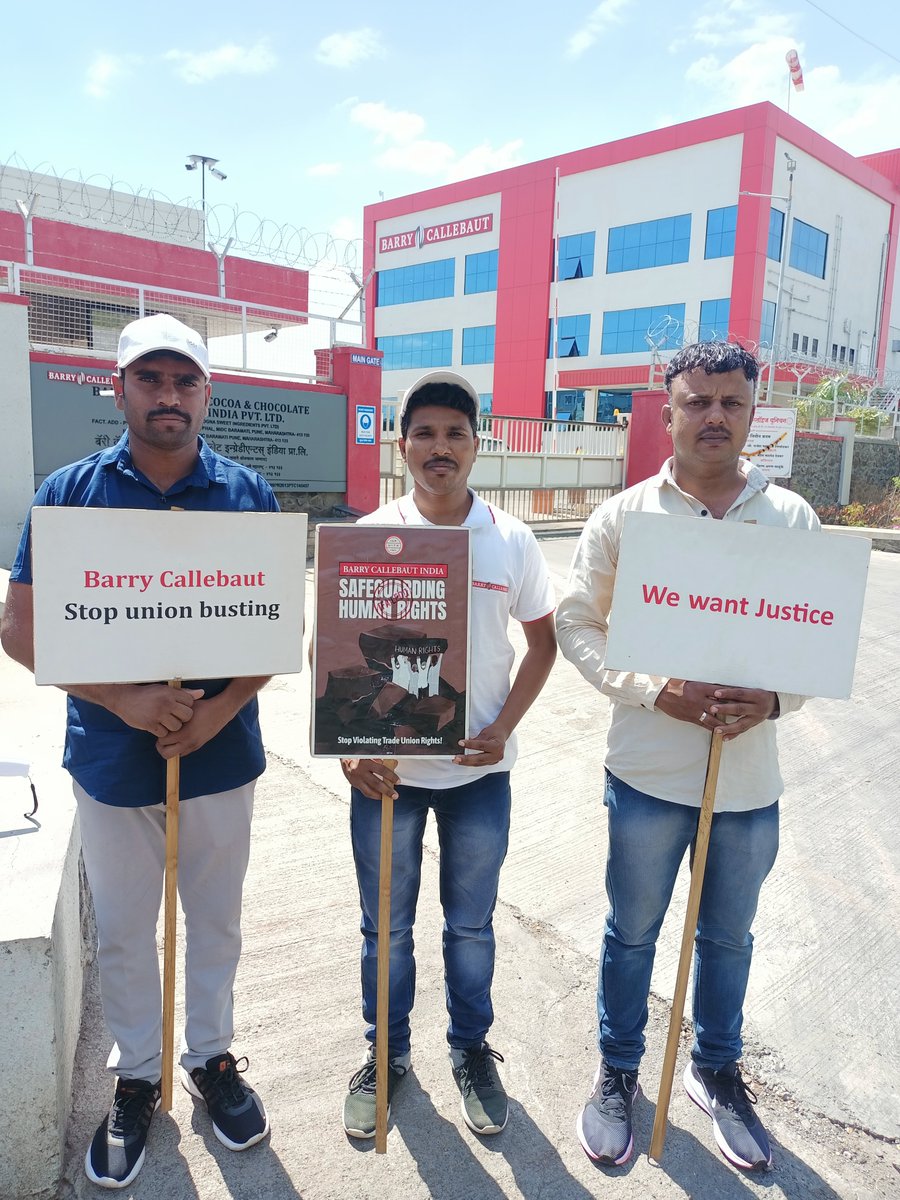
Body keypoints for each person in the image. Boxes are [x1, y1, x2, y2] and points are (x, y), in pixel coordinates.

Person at [1, 314, 275, 1189]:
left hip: (219, 758)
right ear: (118, 389)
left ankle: (211, 1059)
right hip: (113, 762)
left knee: (216, 924)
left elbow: (277, 631)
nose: (168, 396)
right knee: (124, 931)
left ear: (206, 393)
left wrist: (218, 711)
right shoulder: (69, 494)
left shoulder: (247, 494)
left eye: (184, 380)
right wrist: (125, 699)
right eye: (150, 379)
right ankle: (136, 1076)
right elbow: (19, 629)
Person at [556, 341, 820, 1172]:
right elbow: (576, 623)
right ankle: (618, 1071)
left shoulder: (792, 521)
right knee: (632, 934)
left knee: (728, 940)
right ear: (667, 411)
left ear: (752, 412)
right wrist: (651, 689)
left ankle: (716, 1072)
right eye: (696, 401)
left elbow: (819, 640)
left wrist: (775, 700)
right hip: (646, 775)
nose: (713, 416)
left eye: (730, 402)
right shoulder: (623, 518)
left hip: (747, 783)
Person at [338, 370, 557, 1140]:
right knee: (385, 932)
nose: (440, 447)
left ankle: (469, 1050)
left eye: (455, 434)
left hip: (477, 777)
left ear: (476, 444)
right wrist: (348, 750)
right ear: (401, 445)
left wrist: (503, 727)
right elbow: (333, 648)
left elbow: (543, 644)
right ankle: (386, 1053)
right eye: (425, 433)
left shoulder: (512, 539)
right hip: (387, 777)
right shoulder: (369, 535)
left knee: (470, 928)